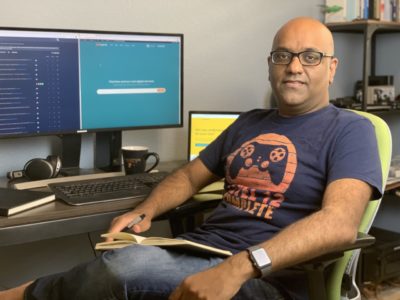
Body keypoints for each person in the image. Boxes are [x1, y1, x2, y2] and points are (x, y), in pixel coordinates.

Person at [0, 17, 382, 300]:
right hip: (201, 251)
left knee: (127, 270)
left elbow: (340, 223)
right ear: (270, 66)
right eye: (283, 55)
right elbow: (188, 177)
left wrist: (238, 268)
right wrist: (146, 209)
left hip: (268, 277)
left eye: (310, 57)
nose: (294, 66)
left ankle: (22, 295)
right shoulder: (249, 123)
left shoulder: (350, 129)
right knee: (128, 259)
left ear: (331, 68)